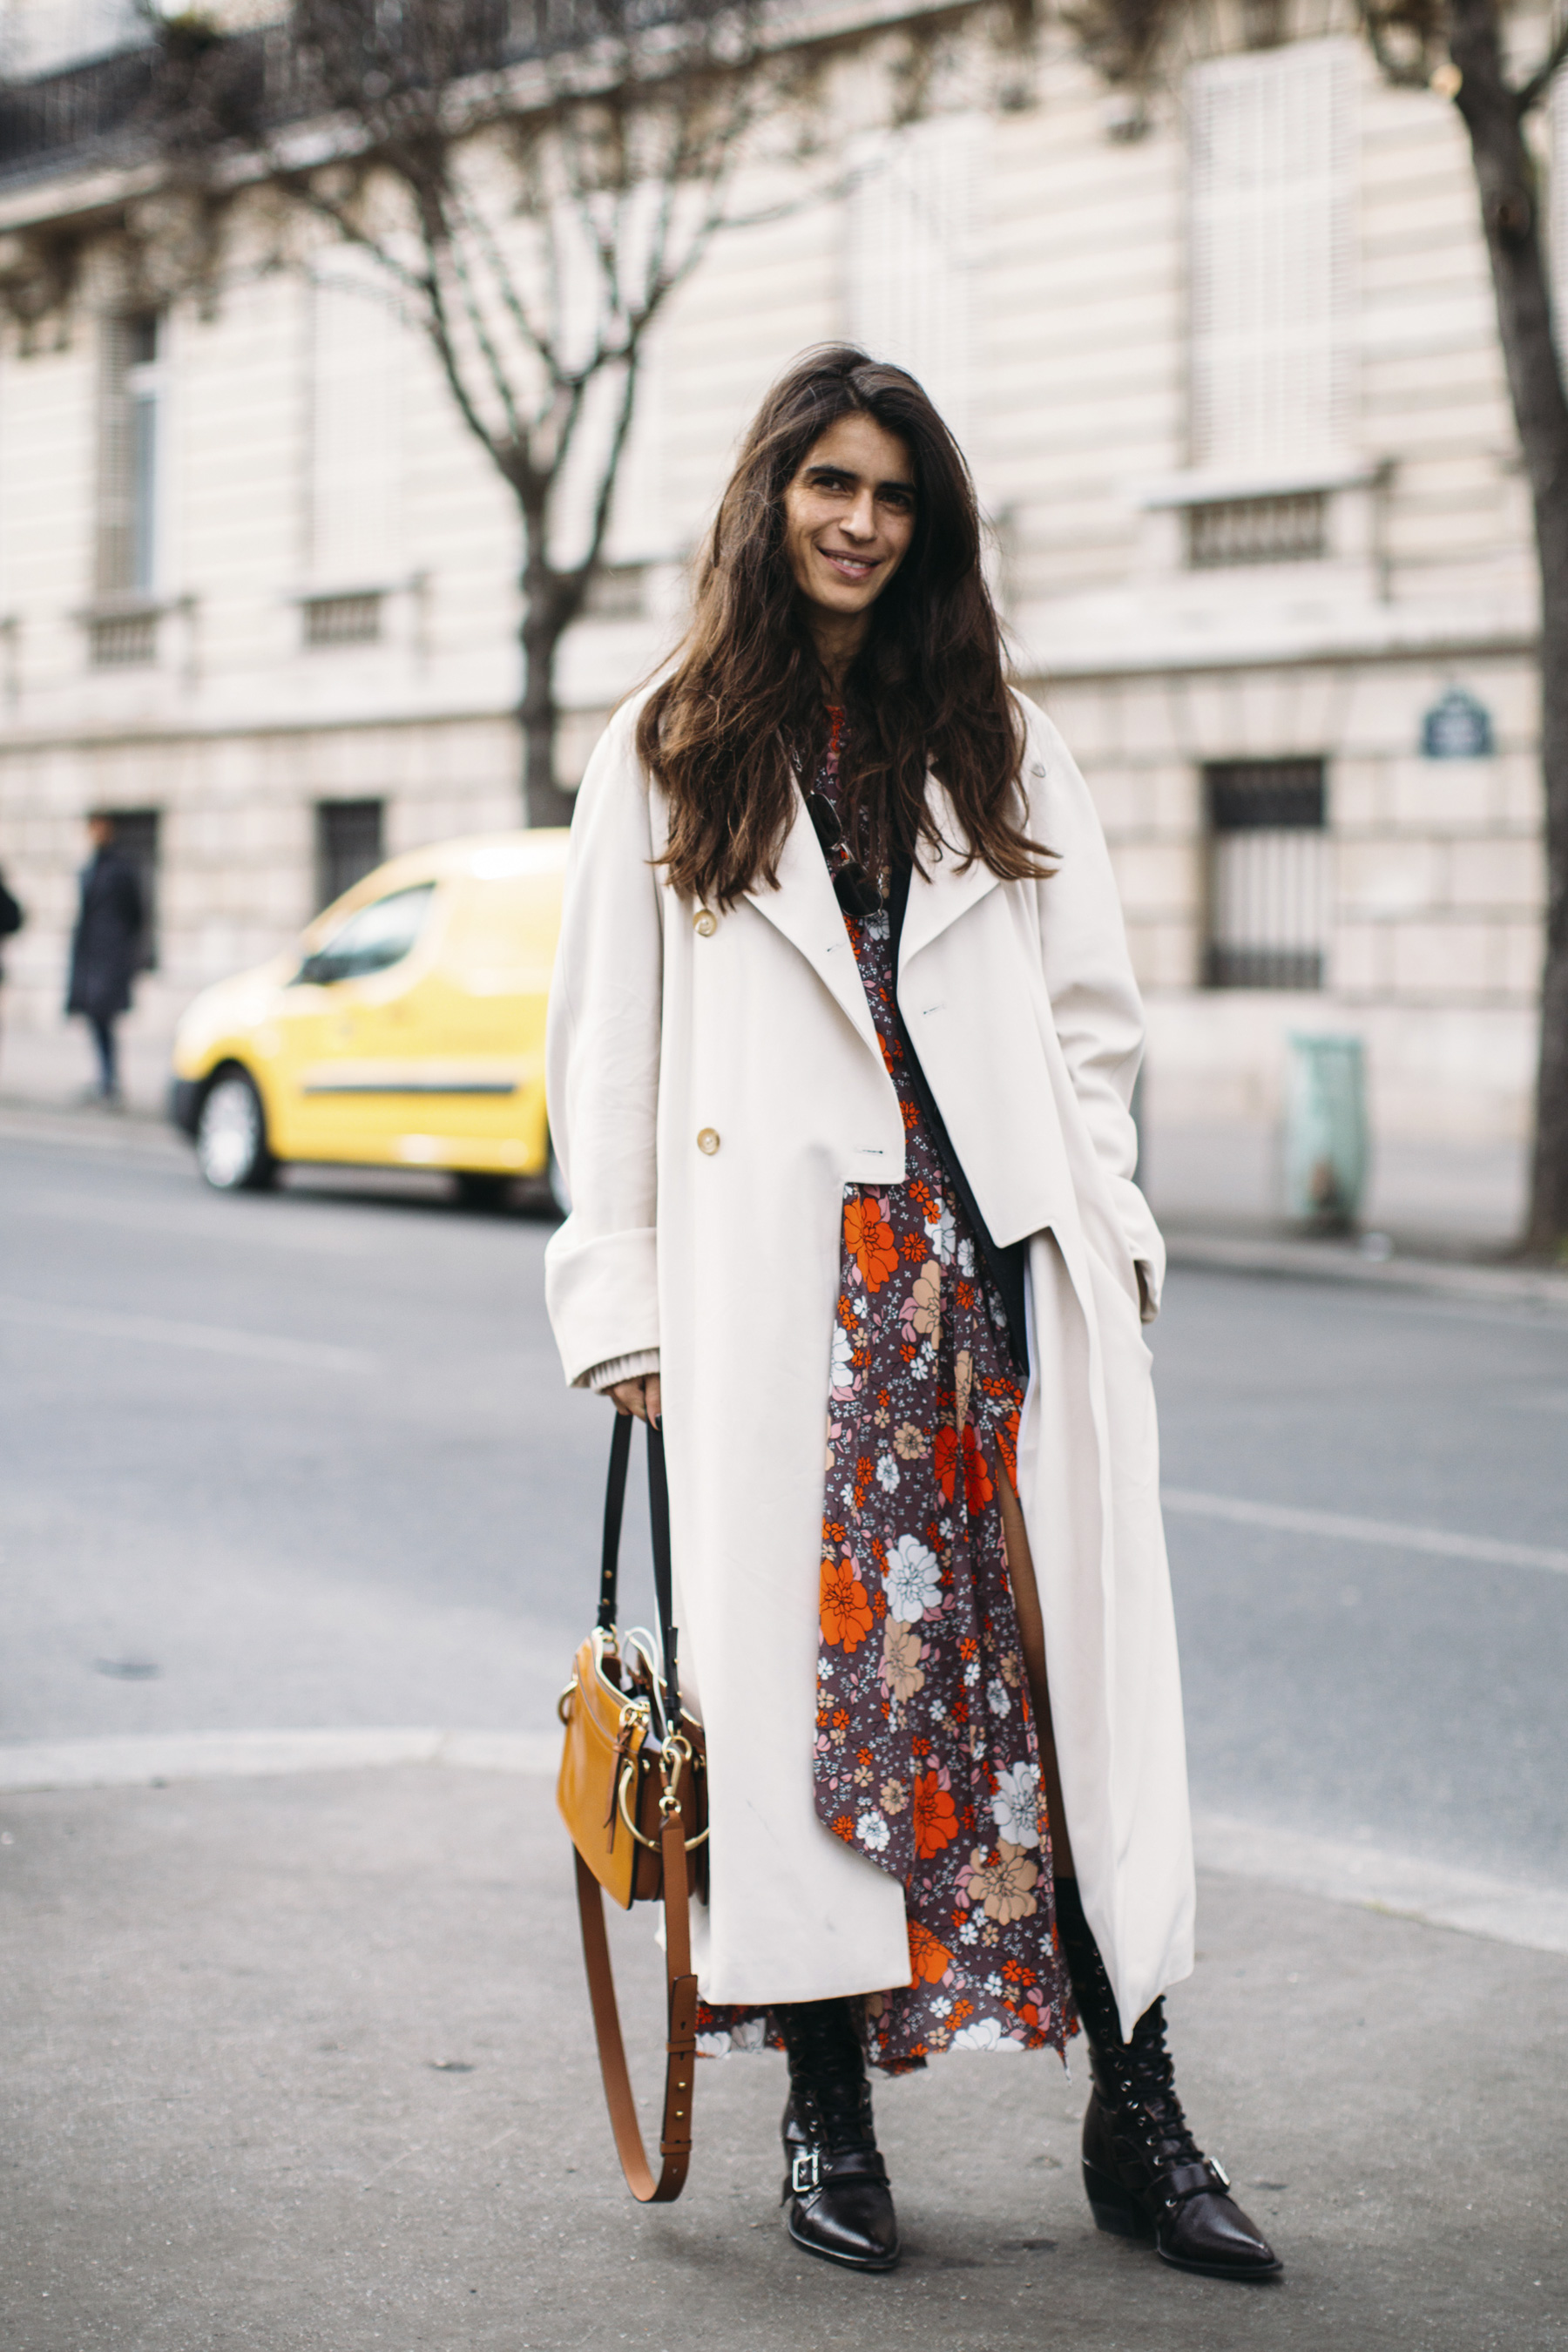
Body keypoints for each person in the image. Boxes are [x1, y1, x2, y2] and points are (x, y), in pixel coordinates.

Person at [544, 347, 1281, 2285]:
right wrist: (623, 1304)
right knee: (813, 1724)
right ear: (770, 498)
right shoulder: (669, 744)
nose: (862, 521)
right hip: (791, 1308)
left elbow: (1095, 1020)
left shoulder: (1000, 737)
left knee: (1053, 1706)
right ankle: (827, 2118)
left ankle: (1141, 2116)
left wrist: (1105, 1228)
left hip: (991, 1296)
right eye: (831, 485)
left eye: (895, 495)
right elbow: (606, 1060)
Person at [66, 813, 145, 1106]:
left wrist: (128, 951)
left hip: (111, 957)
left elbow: (137, 913)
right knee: (94, 1018)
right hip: (91, 956)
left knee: (104, 1017)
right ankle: (104, 1078)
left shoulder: (121, 869)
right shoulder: (90, 867)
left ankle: (109, 1080)